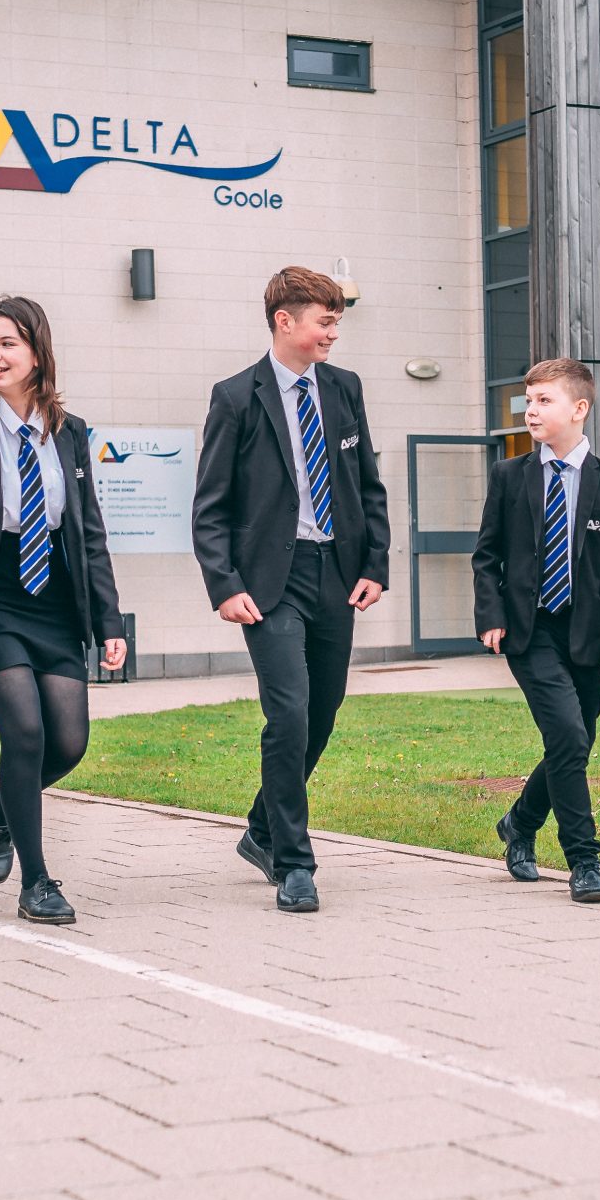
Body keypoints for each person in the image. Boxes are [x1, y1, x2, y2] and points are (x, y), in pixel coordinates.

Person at [190, 265, 390, 913]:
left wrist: (375, 564)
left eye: (336, 322)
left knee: (323, 712)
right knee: (290, 713)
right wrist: (224, 584)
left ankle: (260, 828)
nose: (333, 332)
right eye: (325, 321)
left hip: (337, 572)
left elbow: (367, 485)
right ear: (285, 321)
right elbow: (210, 505)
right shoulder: (235, 397)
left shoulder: (345, 388)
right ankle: (294, 862)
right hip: (269, 582)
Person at [0, 297, 126, 925]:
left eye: (7, 343)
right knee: (25, 733)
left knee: (68, 744)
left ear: (37, 352)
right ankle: (36, 883)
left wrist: (109, 622)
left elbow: (89, 533)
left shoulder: (70, 431)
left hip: (57, 602)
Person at [473, 358, 600, 904]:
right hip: (530, 631)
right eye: (529, 401)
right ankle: (584, 861)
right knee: (568, 737)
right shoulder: (509, 476)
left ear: (579, 408)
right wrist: (491, 615)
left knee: (576, 742)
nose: (531, 411)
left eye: (544, 400)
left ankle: (519, 823)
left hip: (588, 635)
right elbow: (486, 556)